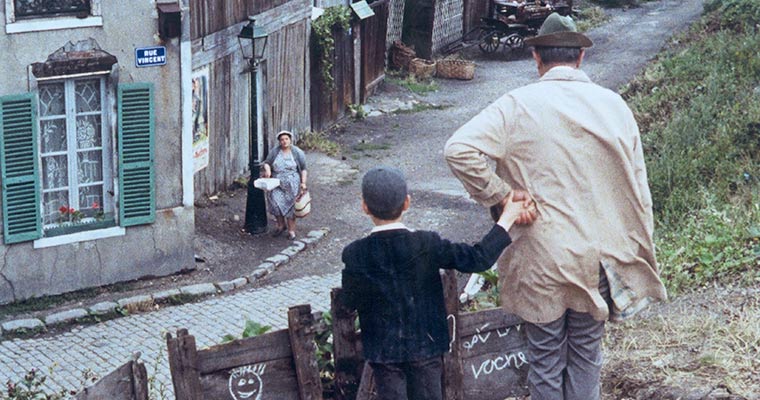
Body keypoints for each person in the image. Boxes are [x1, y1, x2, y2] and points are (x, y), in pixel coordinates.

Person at [444, 13, 668, 400]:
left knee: (545, 364)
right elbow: (639, 191)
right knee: (586, 357)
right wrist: (638, 250)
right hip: (599, 258)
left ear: (537, 58)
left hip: (540, 258)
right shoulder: (615, 107)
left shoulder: (515, 105)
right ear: (580, 58)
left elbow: (458, 150)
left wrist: (500, 195)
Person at [340, 166, 535, 400]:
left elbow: (350, 300)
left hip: (384, 352)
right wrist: (508, 217)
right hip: (426, 348)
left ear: (364, 206)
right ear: (407, 203)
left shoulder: (355, 253)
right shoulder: (426, 243)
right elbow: (478, 258)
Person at [261, 130, 308, 240]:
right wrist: (267, 170)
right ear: (279, 141)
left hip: (292, 183)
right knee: (275, 204)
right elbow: (267, 162)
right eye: (282, 139)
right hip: (276, 182)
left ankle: (291, 230)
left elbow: (304, 169)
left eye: (286, 139)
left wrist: (303, 183)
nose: (284, 141)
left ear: (290, 140)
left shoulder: (297, 152)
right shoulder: (275, 151)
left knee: (291, 206)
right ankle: (280, 226)